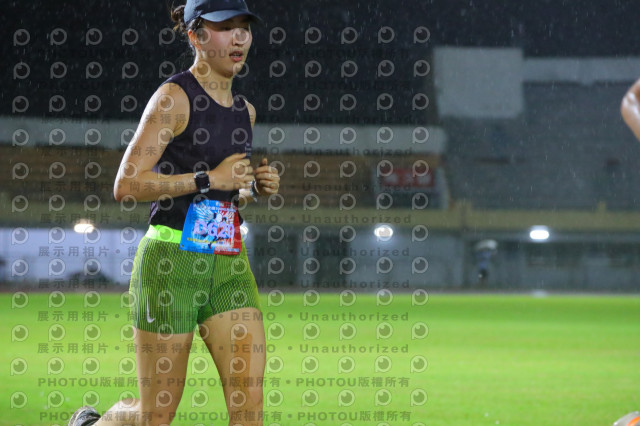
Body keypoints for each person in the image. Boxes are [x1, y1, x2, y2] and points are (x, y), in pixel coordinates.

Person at [69, 0, 279, 425]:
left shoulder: (246, 112)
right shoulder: (173, 98)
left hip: (228, 262)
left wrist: (253, 187)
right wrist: (208, 178)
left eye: (244, 27)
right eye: (225, 27)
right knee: (156, 416)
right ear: (195, 35)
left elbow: (229, 191)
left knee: (250, 407)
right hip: (169, 264)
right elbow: (127, 184)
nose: (239, 37)